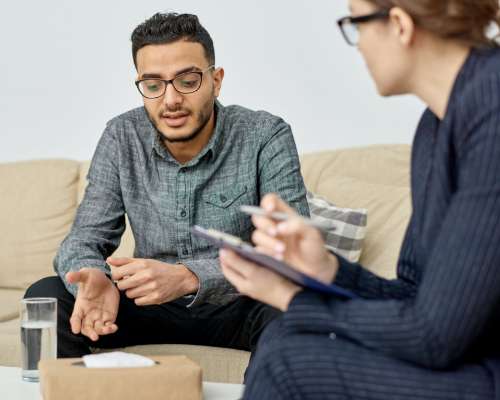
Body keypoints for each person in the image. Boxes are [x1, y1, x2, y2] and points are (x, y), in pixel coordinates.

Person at [220, 0, 500, 398]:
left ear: (400, 25)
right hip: (469, 358)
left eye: (356, 24)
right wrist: (329, 270)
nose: (358, 46)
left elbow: (435, 336)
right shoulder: (435, 127)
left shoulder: (492, 111)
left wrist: (291, 297)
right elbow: (415, 295)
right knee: (284, 333)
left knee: (291, 362)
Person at [25, 12, 309, 357]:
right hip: (146, 306)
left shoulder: (265, 135)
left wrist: (190, 276)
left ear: (215, 81)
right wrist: (94, 275)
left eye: (187, 81)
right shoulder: (121, 136)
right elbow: (84, 238)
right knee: (46, 296)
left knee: (297, 307)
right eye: (154, 85)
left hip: (239, 303)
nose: (170, 100)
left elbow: (290, 254)